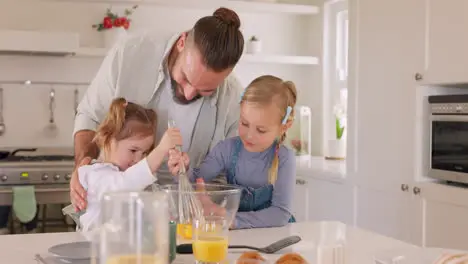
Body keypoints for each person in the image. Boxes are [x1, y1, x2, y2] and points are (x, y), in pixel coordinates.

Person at [70, 7, 245, 212]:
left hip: (182, 222)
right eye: (185, 78)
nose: (189, 93)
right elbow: (90, 117)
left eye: (206, 90)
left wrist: (212, 200)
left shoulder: (232, 99)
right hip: (115, 215)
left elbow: (228, 173)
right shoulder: (130, 53)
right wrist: (83, 164)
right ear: (182, 42)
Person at [168, 75, 298, 229]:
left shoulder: (284, 158)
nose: (249, 135)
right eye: (244, 123)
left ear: (284, 126)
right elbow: (196, 181)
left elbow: (280, 214)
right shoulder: (227, 149)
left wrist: (228, 218)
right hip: (238, 236)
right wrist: (182, 170)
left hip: (275, 236)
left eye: (261, 130)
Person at [72, 97, 183, 232]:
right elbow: (124, 185)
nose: (138, 159)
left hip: (121, 248)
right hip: (94, 248)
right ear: (109, 140)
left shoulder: (126, 173)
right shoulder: (94, 174)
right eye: (133, 150)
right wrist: (160, 151)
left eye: (144, 153)